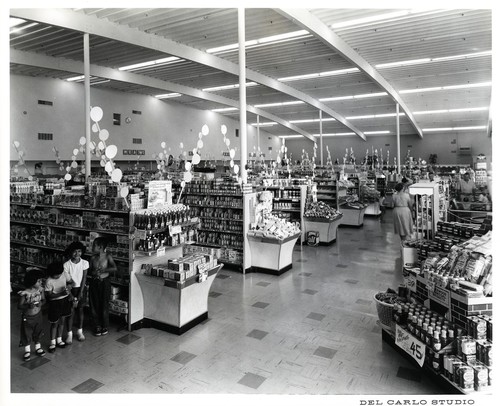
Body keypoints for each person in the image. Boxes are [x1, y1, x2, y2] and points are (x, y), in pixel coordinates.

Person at [88, 237, 117, 337]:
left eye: (94, 245)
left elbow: (114, 268)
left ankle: (105, 325)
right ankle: (97, 325)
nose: (92, 247)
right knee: (94, 304)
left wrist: (104, 271)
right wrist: (94, 272)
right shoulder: (92, 258)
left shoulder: (108, 256)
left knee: (104, 303)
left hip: (105, 282)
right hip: (94, 282)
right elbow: (89, 270)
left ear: (100, 247)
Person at [45, 262, 75, 353]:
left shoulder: (64, 274)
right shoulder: (49, 281)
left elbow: (72, 282)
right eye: (55, 275)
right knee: (54, 323)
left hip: (64, 301)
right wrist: (61, 293)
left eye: (59, 274)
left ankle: (59, 340)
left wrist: (70, 286)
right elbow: (49, 296)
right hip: (55, 303)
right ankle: (52, 343)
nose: (58, 276)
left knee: (62, 321)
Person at [18, 269, 46, 361]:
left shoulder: (40, 290)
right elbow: (19, 306)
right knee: (27, 333)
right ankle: (27, 350)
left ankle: (38, 347)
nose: (41, 282)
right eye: (39, 281)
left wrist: (41, 304)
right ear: (32, 281)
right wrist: (27, 306)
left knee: (38, 331)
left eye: (41, 280)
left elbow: (44, 300)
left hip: (38, 315)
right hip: (28, 317)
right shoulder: (25, 293)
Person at [63, 241, 89, 343]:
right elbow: (67, 281)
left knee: (80, 310)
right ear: (70, 252)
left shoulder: (85, 263)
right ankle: (69, 333)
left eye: (79, 251)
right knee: (70, 312)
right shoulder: (66, 265)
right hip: (70, 289)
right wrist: (71, 295)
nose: (77, 254)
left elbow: (84, 278)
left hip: (81, 288)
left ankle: (79, 331)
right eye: (74, 251)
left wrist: (81, 292)